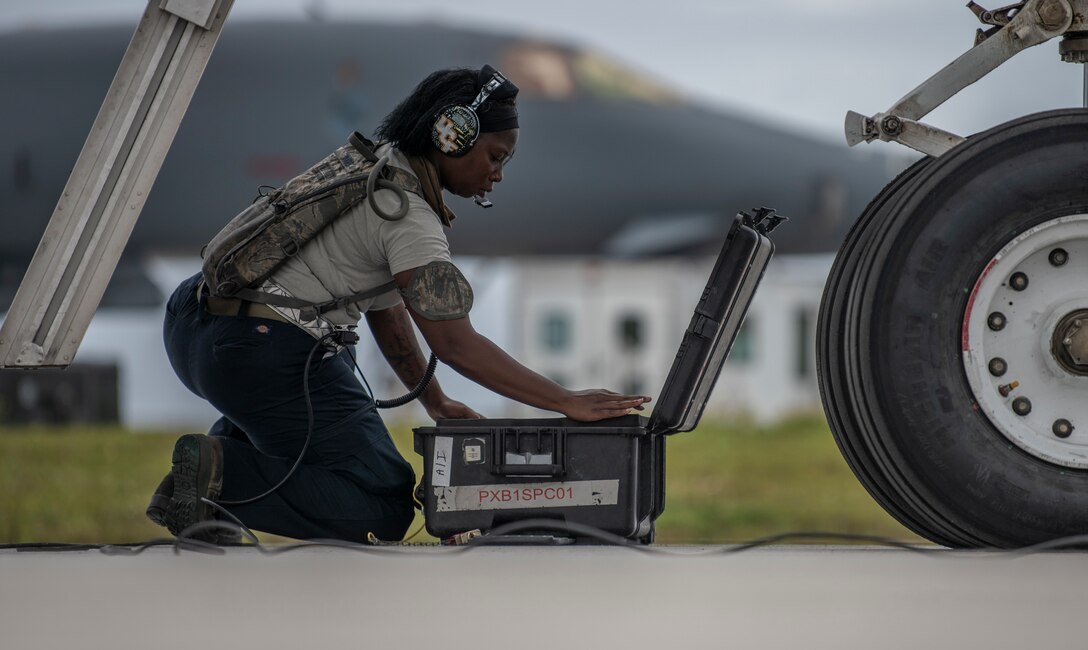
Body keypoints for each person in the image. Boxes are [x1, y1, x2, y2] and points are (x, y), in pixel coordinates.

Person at [146, 65, 651, 544]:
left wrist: (434, 401)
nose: (498, 173)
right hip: (258, 349)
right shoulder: (408, 216)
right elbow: (454, 342)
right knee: (384, 502)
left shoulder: (372, 169)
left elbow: (388, 313)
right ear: (452, 137)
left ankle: (205, 477)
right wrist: (565, 401)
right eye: (495, 156)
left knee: (317, 385)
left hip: (195, 326)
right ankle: (221, 482)